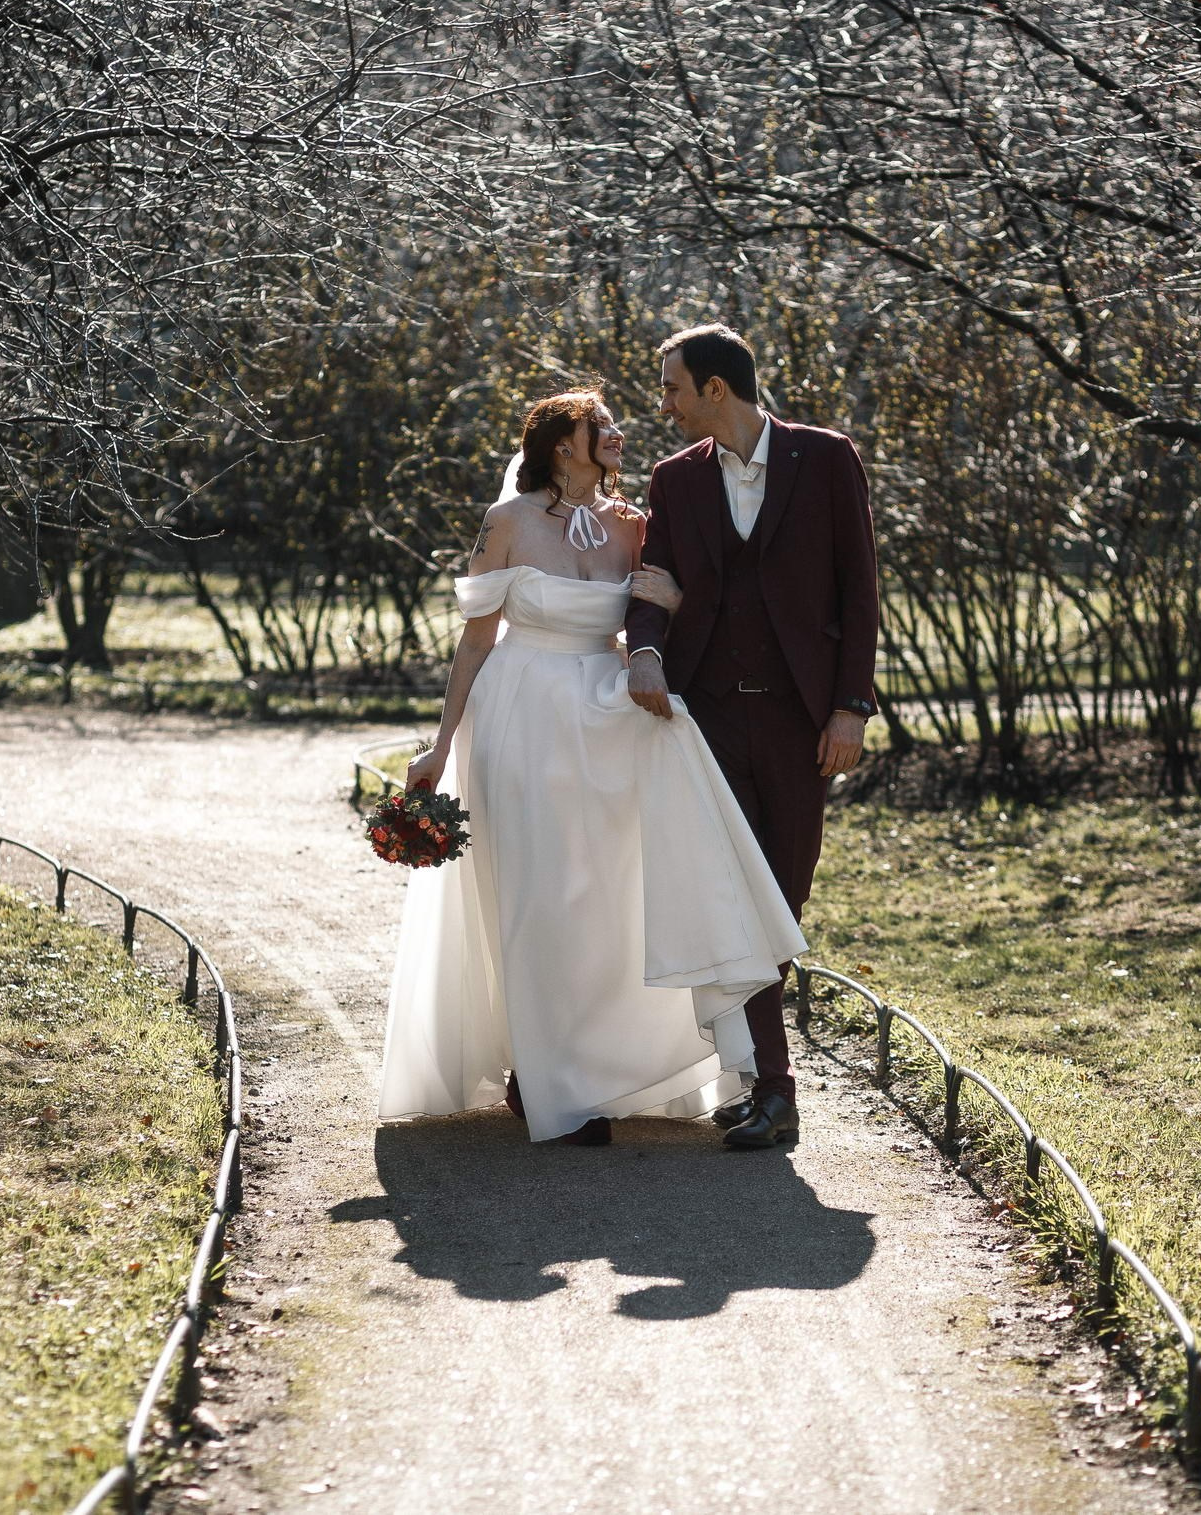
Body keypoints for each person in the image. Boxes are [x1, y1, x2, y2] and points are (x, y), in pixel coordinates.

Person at [376, 390, 808, 1146]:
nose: (615, 432)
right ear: (560, 444)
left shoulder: (634, 525)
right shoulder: (506, 523)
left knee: (600, 899)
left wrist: (672, 602)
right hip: (519, 717)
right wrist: (441, 744)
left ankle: (596, 1069)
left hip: (604, 717)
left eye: (611, 422)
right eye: (597, 425)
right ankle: (547, 1085)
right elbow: (476, 641)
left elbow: (660, 615)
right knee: (537, 893)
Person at [626, 324, 880, 1151]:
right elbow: (653, 585)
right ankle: (775, 1087)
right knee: (741, 895)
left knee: (787, 889)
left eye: (671, 386)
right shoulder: (674, 480)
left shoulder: (827, 458)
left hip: (802, 717)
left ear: (715, 390)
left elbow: (859, 587)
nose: (662, 402)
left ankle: (763, 1077)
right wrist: (647, 655)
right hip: (705, 720)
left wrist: (851, 705)